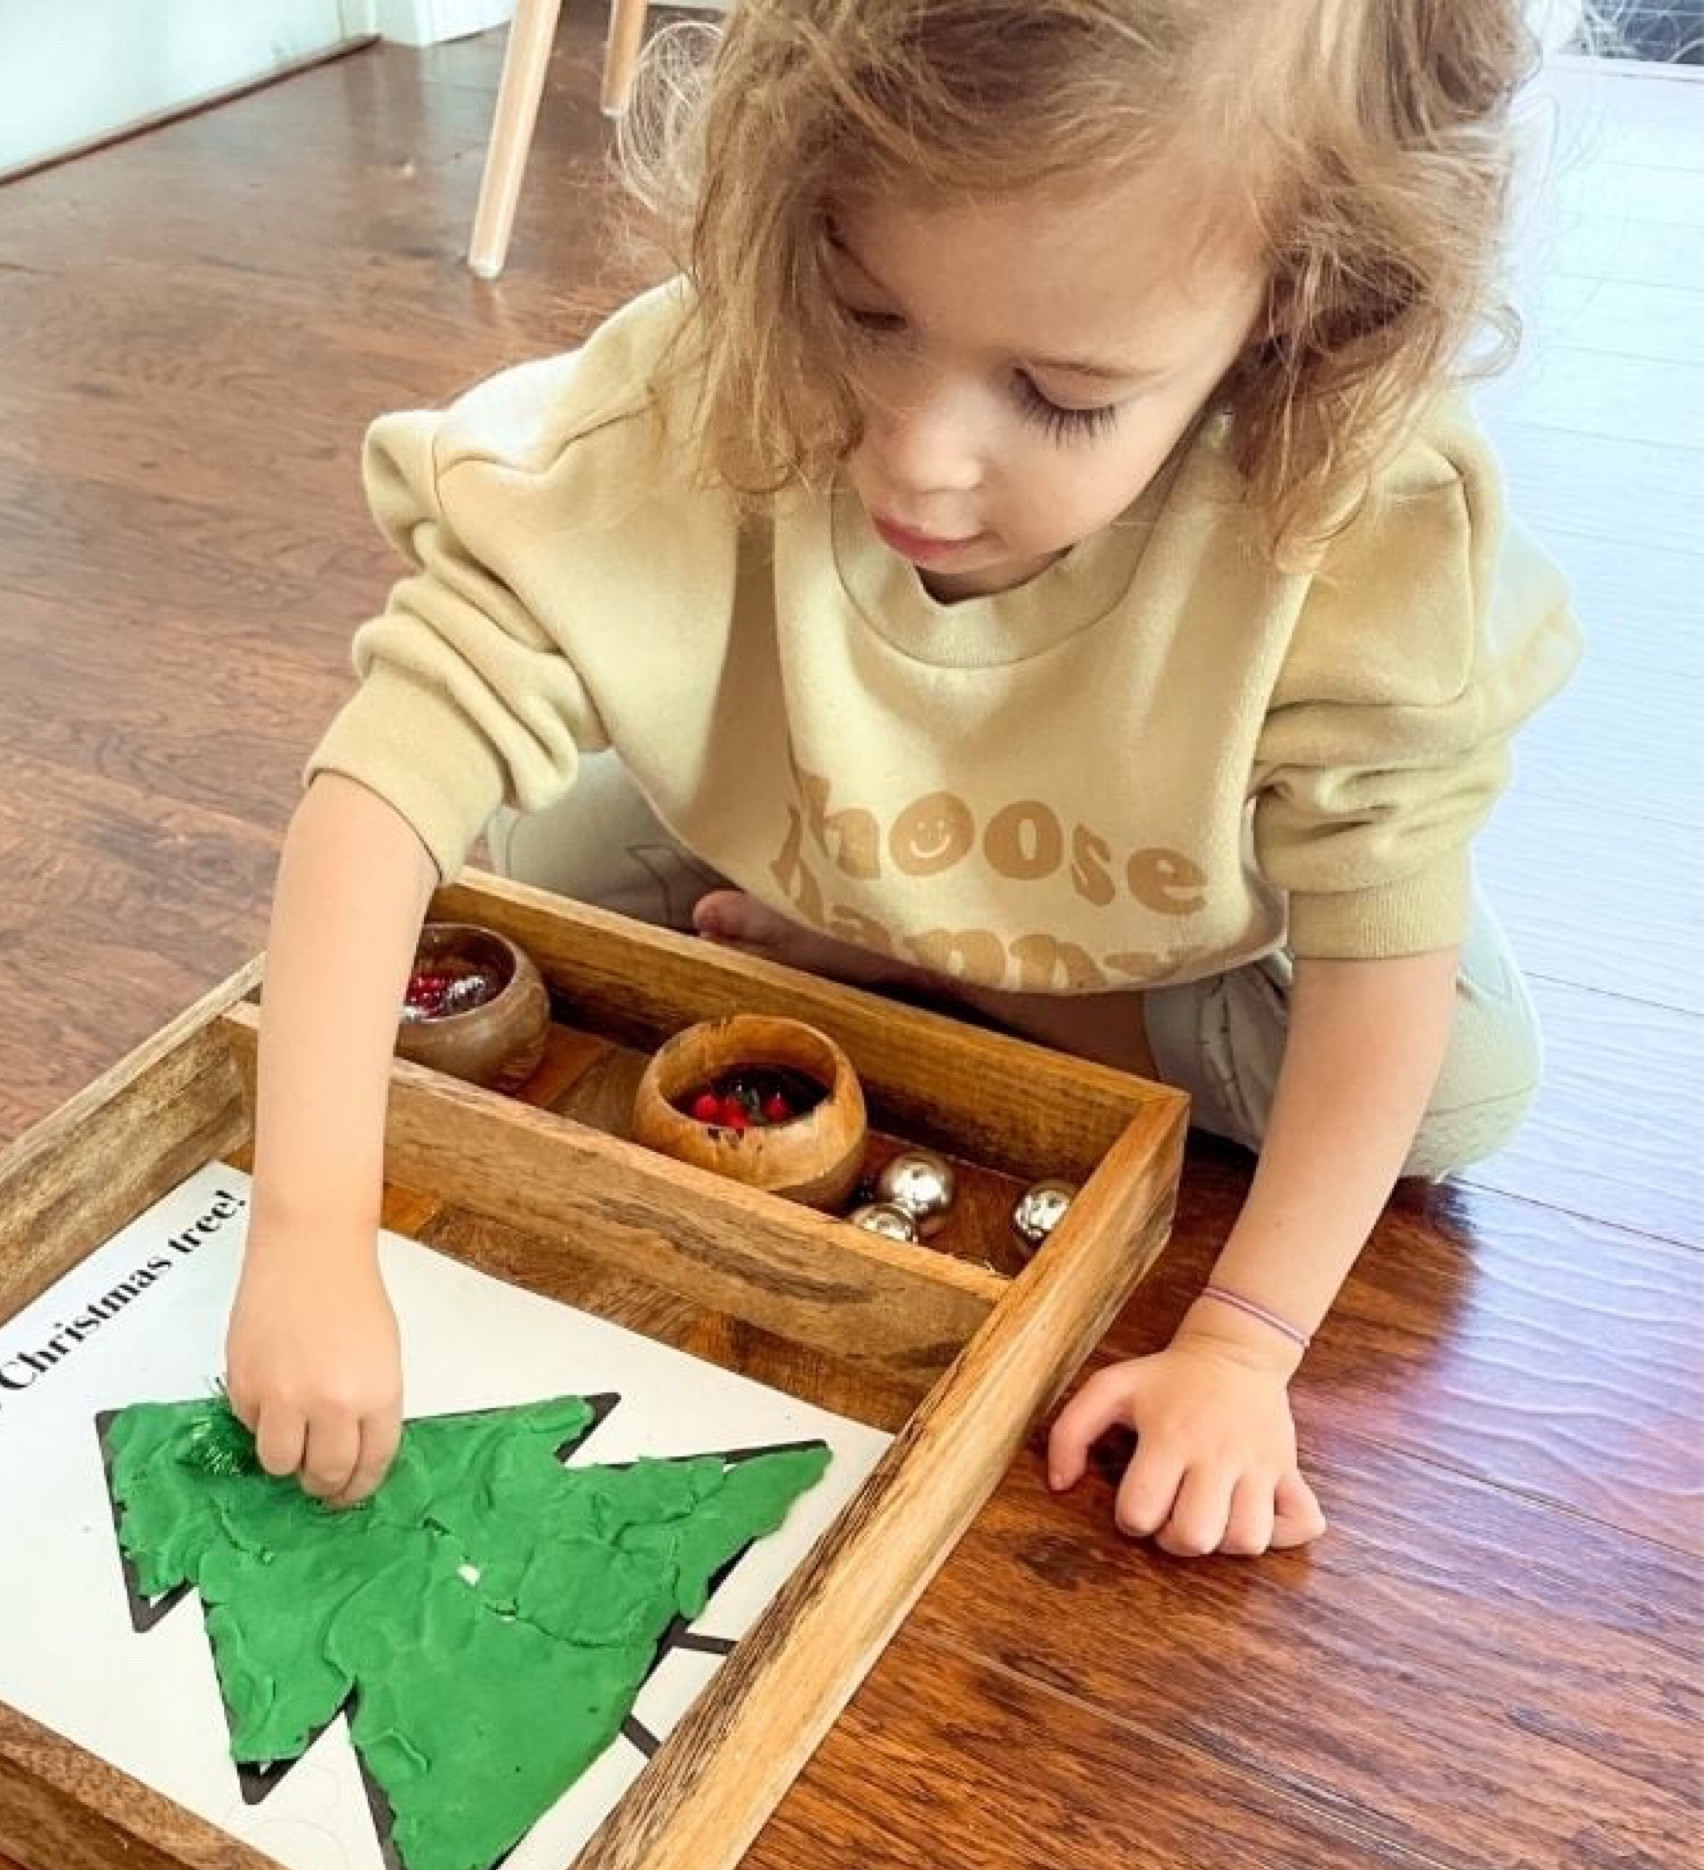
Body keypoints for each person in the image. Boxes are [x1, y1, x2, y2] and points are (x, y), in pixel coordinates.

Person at [226, 0, 1580, 1557]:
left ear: (1296, 311)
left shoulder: (1346, 525)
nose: (919, 457)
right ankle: (876, 925)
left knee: (1458, 1086)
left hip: (1173, 913)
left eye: (1065, 394)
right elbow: (389, 771)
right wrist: (311, 1227)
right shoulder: (698, 386)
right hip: (802, 814)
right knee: (512, 888)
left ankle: (910, 955)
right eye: (865, 314)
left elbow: (1377, 956)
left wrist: (1241, 1343)